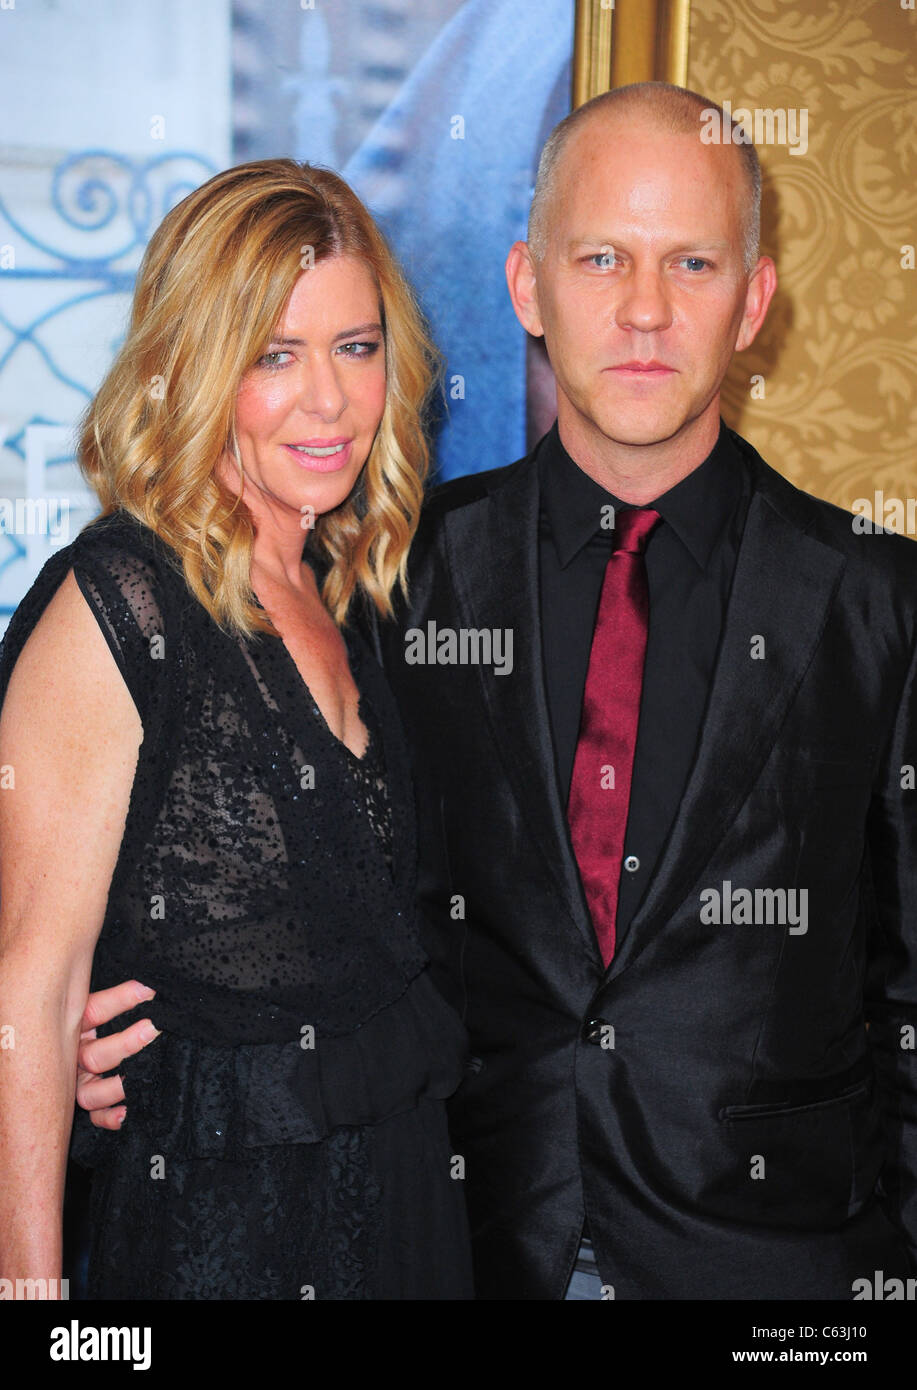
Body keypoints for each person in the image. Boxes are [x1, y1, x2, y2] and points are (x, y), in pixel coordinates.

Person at [78, 83, 917, 1300]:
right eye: (599, 258)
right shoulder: (388, 575)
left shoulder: (875, 599)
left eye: (689, 261)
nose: (642, 309)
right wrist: (92, 1030)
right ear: (526, 286)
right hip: (453, 1249)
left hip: (776, 1276)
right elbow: (297, 885)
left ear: (753, 303)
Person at [0, 158, 473, 1300]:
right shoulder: (117, 603)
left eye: (356, 347)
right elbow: (31, 986)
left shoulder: (358, 593)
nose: (329, 399)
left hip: (398, 1205)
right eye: (274, 354)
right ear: (190, 368)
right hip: (209, 1233)